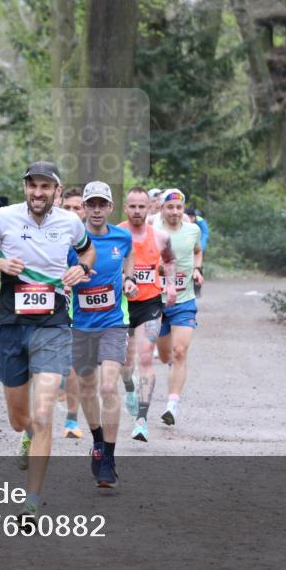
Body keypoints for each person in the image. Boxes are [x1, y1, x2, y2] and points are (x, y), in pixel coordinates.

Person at [0, 161, 96, 521]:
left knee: (43, 412)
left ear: (57, 190)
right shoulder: (4, 218)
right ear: (25, 188)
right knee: (20, 418)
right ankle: (26, 435)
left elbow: (87, 250)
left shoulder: (69, 222)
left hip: (53, 325)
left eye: (45, 187)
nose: (38, 193)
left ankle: (31, 503)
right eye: (32, 186)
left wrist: (81, 268)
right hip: (12, 326)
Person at [68, 181, 138, 488]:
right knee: (87, 388)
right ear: (84, 207)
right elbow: (56, 273)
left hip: (113, 323)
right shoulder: (71, 241)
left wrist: (130, 278)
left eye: (102, 204)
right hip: (80, 326)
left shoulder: (122, 237)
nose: (96, 210)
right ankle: (97, 440)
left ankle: (108, 457)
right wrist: (70, 279)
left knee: (108, 387)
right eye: (91, 204)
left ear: (110, 207)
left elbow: (130, 255)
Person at [118, 187, 176, 442]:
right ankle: (129, 386)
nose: (137, 211)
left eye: (142, 206)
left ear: (149, 208)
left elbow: (170, 260)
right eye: (132, 206)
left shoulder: (160, 237)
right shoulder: (115, 234)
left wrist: (170, 285)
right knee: (124, 364)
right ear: (125, 208)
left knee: (145, 358)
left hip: (149, 304)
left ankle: (141, 420)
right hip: (121, 305)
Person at [152, 189, 203, 426]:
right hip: (157, 301)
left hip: (184, 301)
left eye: (179, 208)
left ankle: (172, 405)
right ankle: (172, 364)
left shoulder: (193, 230)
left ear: (183, 210)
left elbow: (198, 251)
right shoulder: (152, 228)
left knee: (180, 351)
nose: (175, 212)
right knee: (165, 356)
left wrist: (197, 269)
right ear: (162, 208)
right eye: (170, 207)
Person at [57, 186, 85, 439]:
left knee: (74, 365)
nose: (72, 212)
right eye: (67, 207)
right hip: (49, 308)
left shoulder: (91, 242)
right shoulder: (50, 235)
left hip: (80, 311)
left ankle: (71, 419)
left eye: (77, 207)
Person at [185, 205, 210, 298]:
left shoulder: (200, 221)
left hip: (198, 247)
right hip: (187, 247)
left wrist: (201, 246)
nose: (190, 219)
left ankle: (197, 289)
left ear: (195, 217)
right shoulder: (182, 219)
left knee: (198, 266)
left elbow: (205, 233)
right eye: (189, 217)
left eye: (192, 217)